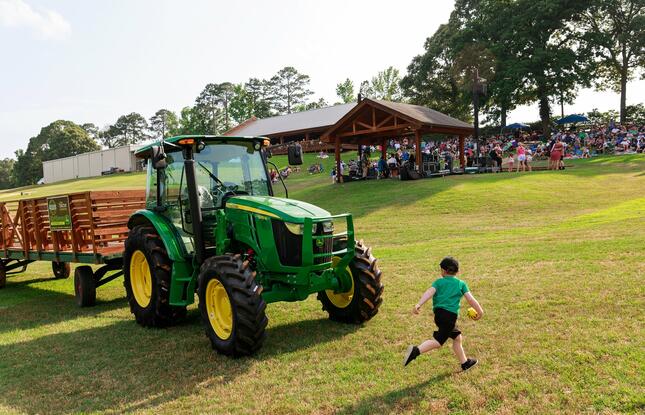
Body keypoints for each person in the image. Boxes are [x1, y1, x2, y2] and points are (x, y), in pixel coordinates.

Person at [403, 256, 484, 371]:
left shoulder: (438, 282)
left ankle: (465, 363)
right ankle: (416, 351)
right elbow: (470, 300)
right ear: (458, 271)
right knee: (438, 342)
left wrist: (419, 304)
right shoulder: (461, 284)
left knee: (457, 338)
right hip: (449, 317)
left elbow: (429, 292)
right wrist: (480, 311)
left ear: (443, 271)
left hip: (440, 315)